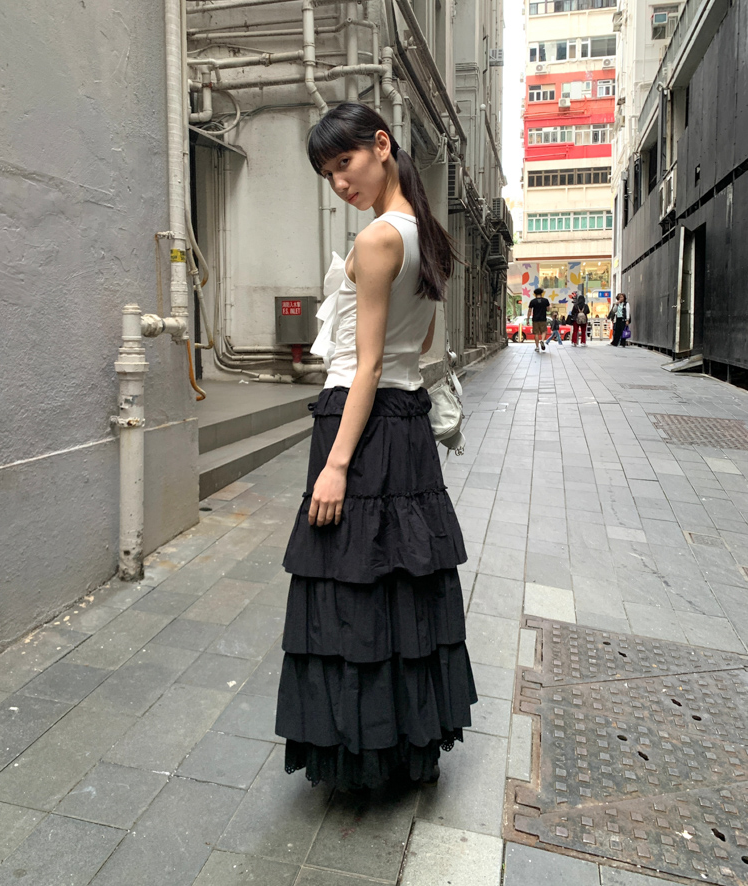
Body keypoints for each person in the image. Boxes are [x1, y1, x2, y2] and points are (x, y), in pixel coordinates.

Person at [275, 102, 477, 792]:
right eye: (328, 174)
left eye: (345, 163)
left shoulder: (377, 239)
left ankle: (358, 753)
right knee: (403, 582)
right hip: (406, 423)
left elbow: (363, 366)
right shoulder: (426, 234)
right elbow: (421, 343)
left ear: (381, 146)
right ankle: (402, 746)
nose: (340, 182)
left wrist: (335, 466)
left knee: (349, 587)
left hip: (358, 424)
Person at [528, 286, 551, 352]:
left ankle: (537, 347)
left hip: (535, 319)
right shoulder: (545, 300)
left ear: (535, 294)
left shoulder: (532, 301)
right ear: (541, 293)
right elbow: (548, 309)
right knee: (544, 331)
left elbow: (529, 311)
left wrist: (528, 319)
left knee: (536, 333)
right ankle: (542, 340)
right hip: (543, 318)